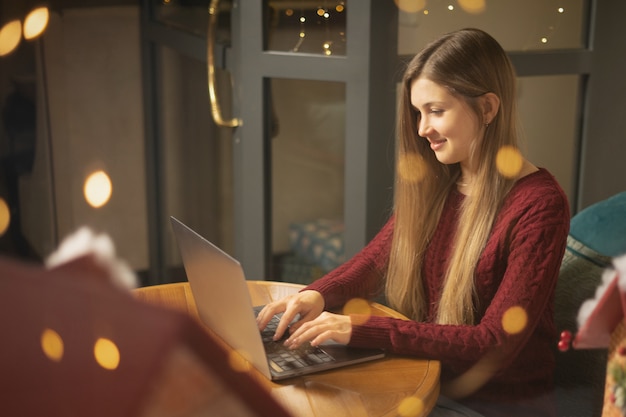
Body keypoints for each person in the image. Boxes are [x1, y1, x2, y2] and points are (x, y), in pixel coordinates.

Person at [257, 28, 570, 417]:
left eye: (436, 111)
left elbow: (493, 344)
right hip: (425, 377)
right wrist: (315, 295)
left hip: (498, 403)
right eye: (418, 113)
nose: (422, 129)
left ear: (488, 108)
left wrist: (357, 329)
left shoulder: (540, 204)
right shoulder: (441, 182)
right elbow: (375, 261)